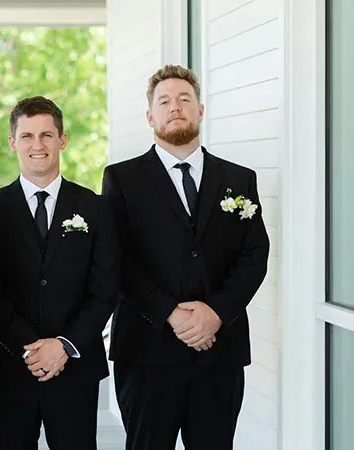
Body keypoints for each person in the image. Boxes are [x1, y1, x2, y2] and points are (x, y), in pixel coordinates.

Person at [101, 64, 270, 450]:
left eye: (184, 99)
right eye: (164, 101)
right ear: (150, 116)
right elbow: (117, 260)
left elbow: (254, 255)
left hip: (219, 351)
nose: (175, 107)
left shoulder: (239, 179)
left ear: (200, 110)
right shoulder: (121, 179)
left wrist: (216, 313)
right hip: (147, 351)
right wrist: (173, 315)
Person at [0, 96, 119, 449]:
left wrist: (65, 345)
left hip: (75, 364)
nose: (37, 145)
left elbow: (105, 287)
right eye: (27, 136)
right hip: (11, 367)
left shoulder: (95, 207)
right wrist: (27, 348)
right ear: (13, 143)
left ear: (63, 139)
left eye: (46, 135)